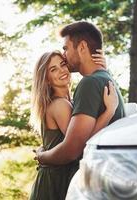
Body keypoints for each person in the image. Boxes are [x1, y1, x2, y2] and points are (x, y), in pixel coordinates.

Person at [29, 51, 119, 200]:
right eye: (53, 69)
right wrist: (109, 112)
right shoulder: (60, 105)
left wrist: (102, 69)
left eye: (62, 64)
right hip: (56, 182)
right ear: (47, 80)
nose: (62, 70)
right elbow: (81, 143)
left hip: (59, 177)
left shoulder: (66, 102)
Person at [35, 21, 125, 164]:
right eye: (53, 69)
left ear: (82, 47)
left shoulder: (90, 83)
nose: (64, 56)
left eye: (66, 49)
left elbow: (73, 150)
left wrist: (41, 157)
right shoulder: (107, 80)